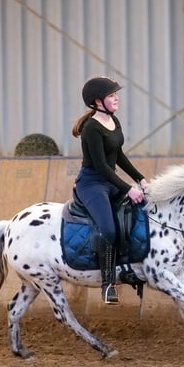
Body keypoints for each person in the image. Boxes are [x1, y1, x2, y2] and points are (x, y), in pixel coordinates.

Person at [71, 76, 148, 305]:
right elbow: (102, 167)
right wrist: (127, 189)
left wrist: (140, 179)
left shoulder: (114, 121)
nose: (116, 99)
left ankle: (131, 268)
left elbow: (119, 156)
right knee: (109, 229)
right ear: (98, 101)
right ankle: (107, 286)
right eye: (111, 95)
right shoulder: (91, 128)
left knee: (138, 213)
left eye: (116, 95)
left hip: (109, 181)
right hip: (92, 183)